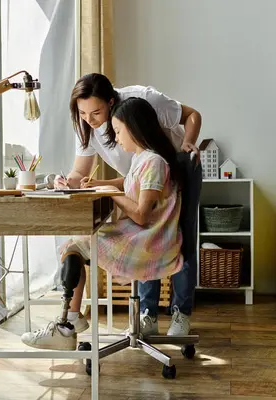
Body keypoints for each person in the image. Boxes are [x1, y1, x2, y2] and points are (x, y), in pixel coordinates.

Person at [47, 73, 202, 340]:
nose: (90, 121)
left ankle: (180, 312)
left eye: (96, 113)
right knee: (96, 238)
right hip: (145, 184)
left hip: (174, 168)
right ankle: (147, 313)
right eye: (82, 113)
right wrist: (76, 182)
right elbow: (93, 172)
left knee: (183, 238)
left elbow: (192, 115)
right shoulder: (134, 153)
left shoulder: (142, 102)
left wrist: (187, 144)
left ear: (111, 103)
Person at [21, 97, 185, 350]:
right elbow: (130, 182)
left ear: (134, 128)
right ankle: (70, 322)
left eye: (118, 131)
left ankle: (67, 326)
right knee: (73, 245)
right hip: (142, 236)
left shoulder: (153, 162)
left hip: (148, 243)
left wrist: (110, 192)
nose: (116, 139)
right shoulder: (144, 159)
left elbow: (141, 214)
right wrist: (98, 185)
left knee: (73, 247)